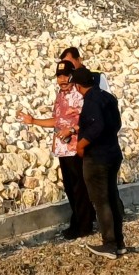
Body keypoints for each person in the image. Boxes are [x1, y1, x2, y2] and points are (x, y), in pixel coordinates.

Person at [17, 60, 96, 240]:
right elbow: (56, 120)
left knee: (80, 188)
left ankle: (83, 226)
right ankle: (79, 221)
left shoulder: (80, 94)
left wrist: (73, 130)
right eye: (59, 76)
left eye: (65, 75)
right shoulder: (60, 95)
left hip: (77, 147)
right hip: (62, 149)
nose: (62, 79)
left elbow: (88, 119)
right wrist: (33, 121)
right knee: (70, 188)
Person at [72, 68, 126, 259]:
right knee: (112, 197)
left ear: (78, 86)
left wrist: (81, 144)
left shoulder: (91, 101)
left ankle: (109, 244)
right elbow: (116, 124)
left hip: (97, 158)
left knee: (101, 201)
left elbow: (97, 125)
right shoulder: (108, 97)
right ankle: (119, 243)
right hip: (113, 153)